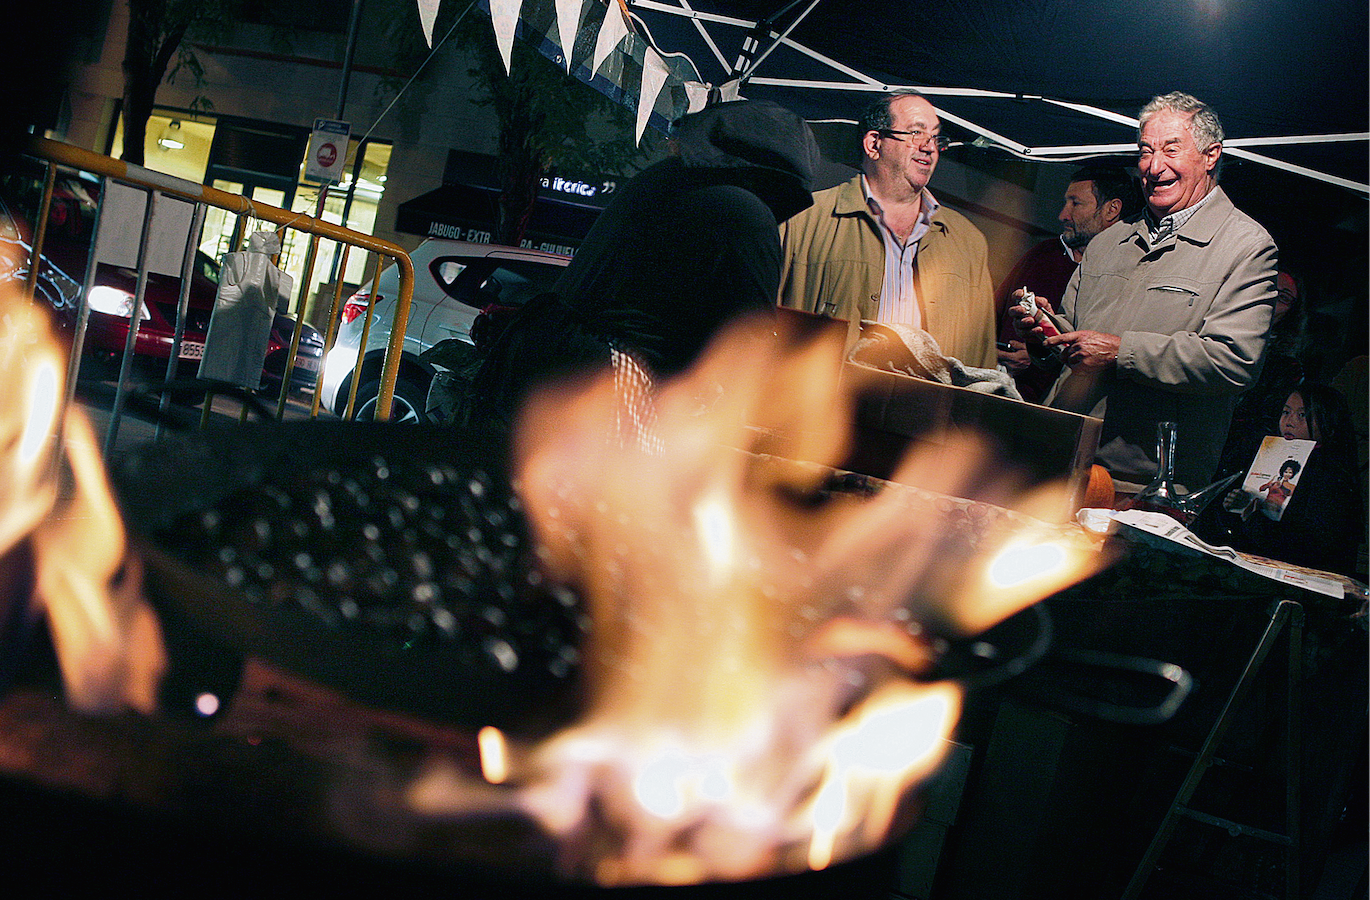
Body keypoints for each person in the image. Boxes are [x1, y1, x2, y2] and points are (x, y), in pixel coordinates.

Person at [464, 99, 823, 435]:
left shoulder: (661, 177)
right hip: (607, 378)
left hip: (540, 354)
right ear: (787, 179)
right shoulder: (746, 213)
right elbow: (750, 338)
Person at [1019, 91, 1278, 491]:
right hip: (1055, 458)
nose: (1154, 167)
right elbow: (1071, 342)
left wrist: (1121, 352)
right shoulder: (1108, 241)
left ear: (1211, 156)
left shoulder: (1246, 246)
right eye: (1145, 152)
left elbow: (1234, 360)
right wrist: (1045, 336)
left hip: (1143, 486)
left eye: (1171, 151)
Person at [777, 91, 997, 369]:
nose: (929, 147)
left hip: (922, 409)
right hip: (824, 405)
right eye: (916, 133)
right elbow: (755, 324)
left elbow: (982, 357)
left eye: (935, 138)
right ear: (873, 144)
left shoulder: (968, 241)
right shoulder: (803, 218)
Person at [995, 165, 1142, 402]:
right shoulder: (1041, 255)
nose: (1063, 215)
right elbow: (991, 319)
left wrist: (1037, 359)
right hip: (1000, 399)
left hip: (1064, 414)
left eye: (1076, 203)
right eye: (1066, 202)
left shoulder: (1129, 274)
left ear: (1112, 209)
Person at [1197, 384, 1365, 578]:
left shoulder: (1331, 476)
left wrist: (1250, 513)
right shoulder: (1268, 455)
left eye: (1302, 415)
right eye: (1286, 412)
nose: (1289, 422)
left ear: (1329, 421)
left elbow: (1308, 544)